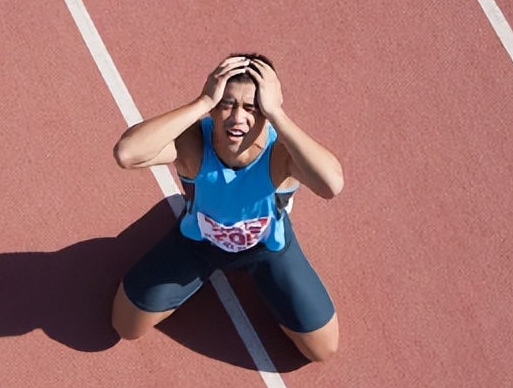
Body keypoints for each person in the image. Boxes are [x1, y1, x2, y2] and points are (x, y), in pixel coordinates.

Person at [111, 54, 344, 362]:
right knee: (125, 326)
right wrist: (201, 102)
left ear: (266, 110)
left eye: (252, 108)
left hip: (266, 250)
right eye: (227, 104)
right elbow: (127, 153)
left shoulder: (281, 155)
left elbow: (331, 185)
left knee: (322, 350)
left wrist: (278, 114)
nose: (238, 118)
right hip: (198, 243)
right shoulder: (193, 144)